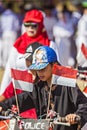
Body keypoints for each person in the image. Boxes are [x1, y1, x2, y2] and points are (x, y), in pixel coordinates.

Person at [0, 46, 87, 130]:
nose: (40, 73)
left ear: (54, 65)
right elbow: (20, 100)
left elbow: (84, 104)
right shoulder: (38, 87)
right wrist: (2, 106)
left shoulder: (68, 83)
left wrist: (76, 116)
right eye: (37, 69)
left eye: (43, 68)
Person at [0, 9, 59, 95]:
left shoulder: (50, 45)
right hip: (18, 92)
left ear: (41, 25)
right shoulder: (18, 44)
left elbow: (56, 69)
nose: (30, 28)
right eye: (27, 24)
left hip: (41, 93)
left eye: (34, 25)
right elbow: (9, 71)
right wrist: (2, 95)